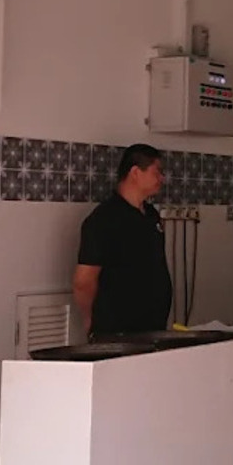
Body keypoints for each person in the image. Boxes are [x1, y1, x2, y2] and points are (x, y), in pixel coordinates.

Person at [72, 144, 172, 339]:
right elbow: (83, 281)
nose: (162, 178)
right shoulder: (104, 219)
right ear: (135, 172)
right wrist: (89, 319)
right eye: (157, 172)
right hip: (118, 331)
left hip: (154, 328)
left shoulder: (151, 215)